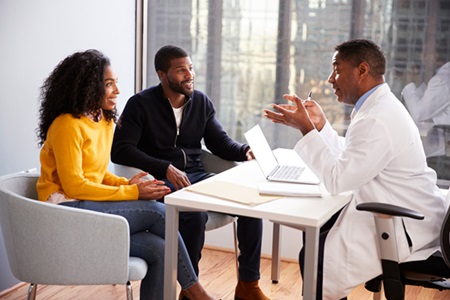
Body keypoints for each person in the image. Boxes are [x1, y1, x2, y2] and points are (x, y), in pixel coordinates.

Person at [263, 39, 447, 299]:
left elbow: (339, 179)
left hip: (403, 223)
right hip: (411, 211)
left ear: (361, 70)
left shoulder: (376, 118)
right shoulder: (379, 107)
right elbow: (352, 157)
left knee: (315, 255)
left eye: (336, 69)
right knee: (318, 236)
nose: (330, 79)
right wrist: (321, 126)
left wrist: (306, 129)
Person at [36, 49, 215, 300]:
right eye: (108, 84)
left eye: (116, 83)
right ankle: (196, 292)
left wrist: (126, 182)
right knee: (157, 210)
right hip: (66, 211)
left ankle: (192, 291)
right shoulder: (67, 125)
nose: (117, 91)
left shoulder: (104, 120)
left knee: (159, 249)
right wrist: (132, 192)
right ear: (88, 87)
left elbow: (97, 173)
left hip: (89, 205)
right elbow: (74, 186)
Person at [111, 45, 269, 300]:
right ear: (162, 75)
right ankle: (190, 288)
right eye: (181, 70)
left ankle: (248, 286)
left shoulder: (201, 102)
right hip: (159, 180)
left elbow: (219, 142)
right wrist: (164, 167)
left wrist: (245, 151)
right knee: (194, 215)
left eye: (191, 68)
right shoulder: (140, 104)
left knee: (250, 206)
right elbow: (120, 150)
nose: (189, 74)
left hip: (196, 175)